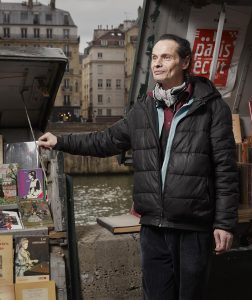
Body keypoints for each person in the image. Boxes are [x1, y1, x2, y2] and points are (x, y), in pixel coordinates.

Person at [38, 34, 238, 300]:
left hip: (192, 226)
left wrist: (224, 223)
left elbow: (225, 168)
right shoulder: (143, 109)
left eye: (166, 57)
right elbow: (105, 140)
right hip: (153, 226)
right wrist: (60, 141)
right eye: (154, 57)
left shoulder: (211, 108)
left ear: (186, 61)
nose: (157, 63)